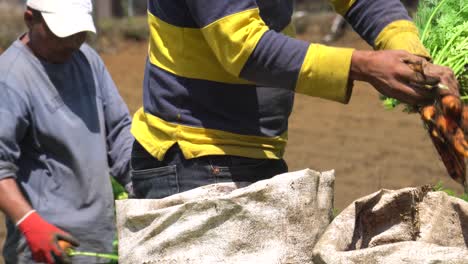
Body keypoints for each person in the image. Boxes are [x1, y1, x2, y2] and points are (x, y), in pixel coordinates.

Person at [130, 0, 459, 199]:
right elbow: (243, 46)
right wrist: (364, 66)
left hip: (254, 152)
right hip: (193, 158)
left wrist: (415, 59)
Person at [0, 0, 133, 263]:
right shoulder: (10, 78)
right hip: (48, 247)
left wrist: (139, 188)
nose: (72, 42)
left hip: (102, 241)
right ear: (30, 19)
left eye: (79, 33)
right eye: (62, 34)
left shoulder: (87, 59)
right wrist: (30, 223)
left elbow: (119, 132)